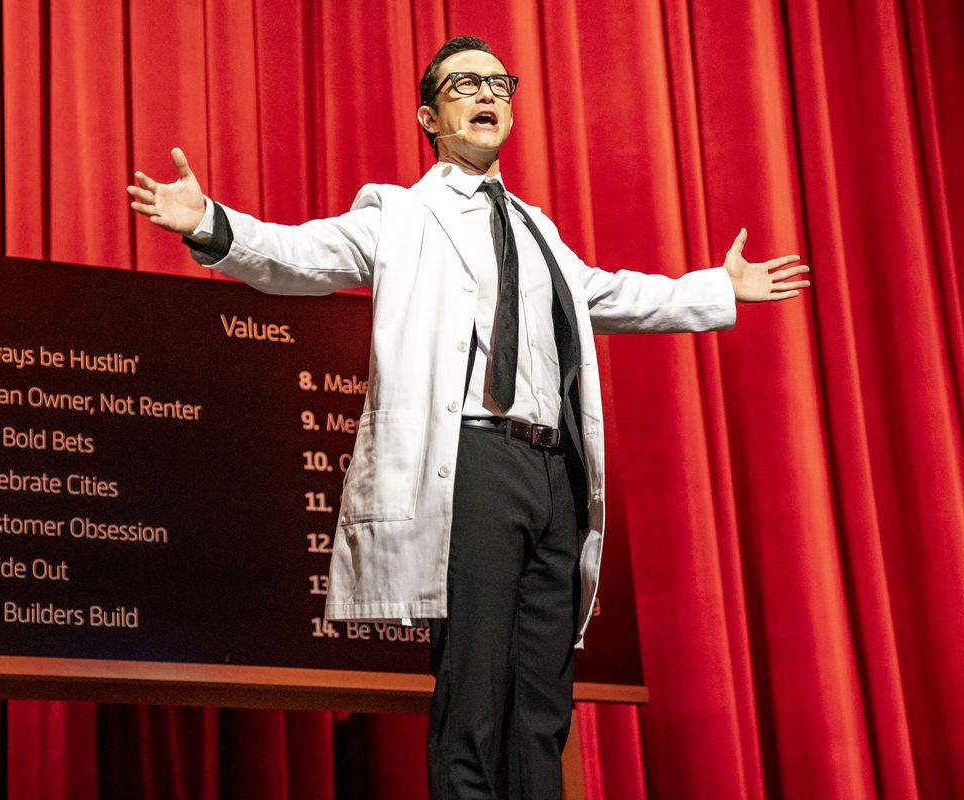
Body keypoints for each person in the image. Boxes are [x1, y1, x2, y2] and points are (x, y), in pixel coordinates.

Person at [127, 35, 809, 800]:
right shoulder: (399, 214)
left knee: (543, 704)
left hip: (554, 471)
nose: (487, 93)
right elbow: (296, 255)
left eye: (498, 82)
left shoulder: (538, 229)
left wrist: (716, 290)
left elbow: (609, 296)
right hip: (475, 463)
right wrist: (209, 224)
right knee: (475, 692)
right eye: (464, 85)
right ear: (430, 114)